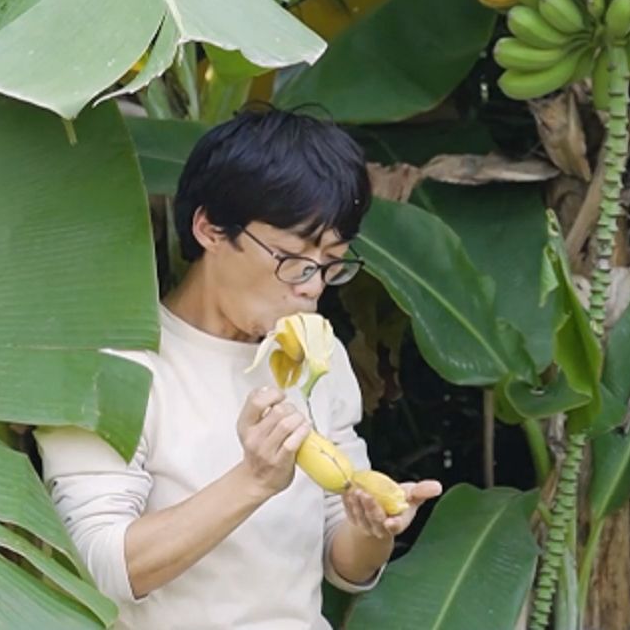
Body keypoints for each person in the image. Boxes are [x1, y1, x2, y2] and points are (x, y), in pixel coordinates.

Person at [35, 107, 443, 629]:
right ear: (209, 229)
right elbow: (103, 567)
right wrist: (252, 481)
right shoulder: (116, 370)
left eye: (331, 263)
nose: (312, 286)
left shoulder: (321, 361)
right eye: (292, 259)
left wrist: (372, 530)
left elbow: (343, 562)